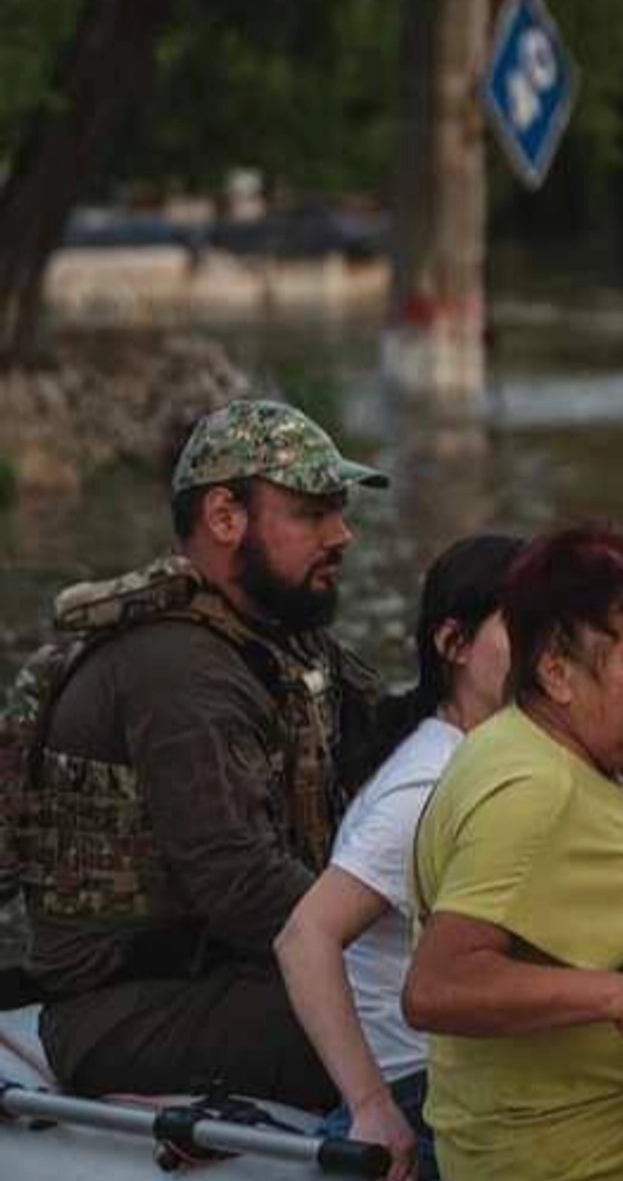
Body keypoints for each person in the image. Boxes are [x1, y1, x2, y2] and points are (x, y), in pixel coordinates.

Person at [13, 399, 388, 1110]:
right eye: (313, 511)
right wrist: (402, 945)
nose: (343, 534)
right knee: (396, 1017)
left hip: (233, 973)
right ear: (224, 518)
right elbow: (239, 883)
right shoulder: (179, 671)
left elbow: (392, 736)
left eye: (340, 510)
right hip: (125, 1010)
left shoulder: (278, 639)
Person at [401, 524, 623, 1181]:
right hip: (587, 1165)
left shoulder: (566, 747)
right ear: (557, 672)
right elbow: (437, 987)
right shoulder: (531, 792)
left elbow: (574, 891)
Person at [273, 533, 522, 1181]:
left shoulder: (502, 760)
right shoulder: (428, 787)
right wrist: (372, 1107)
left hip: (477, 1063)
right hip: (421, 1084)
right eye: (527, 626)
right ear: (454, 644)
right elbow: (305, 936)